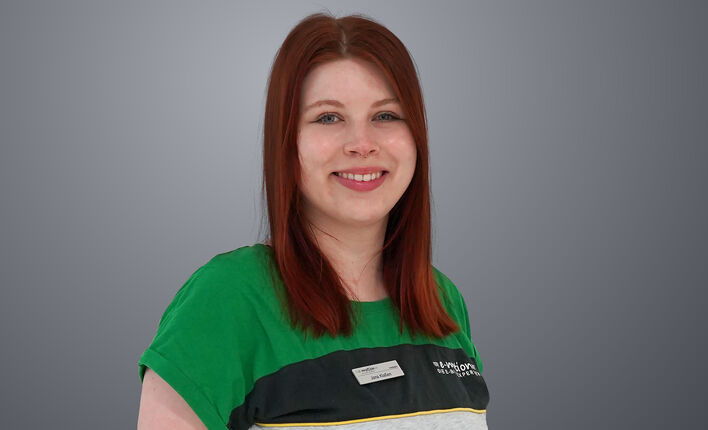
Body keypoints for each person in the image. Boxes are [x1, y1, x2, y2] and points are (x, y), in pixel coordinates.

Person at [137, 12, 489, 430]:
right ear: (287, 143)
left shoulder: (442, 302)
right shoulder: (227, 301)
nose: (362, 144)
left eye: (386, 116)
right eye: (328, 118)